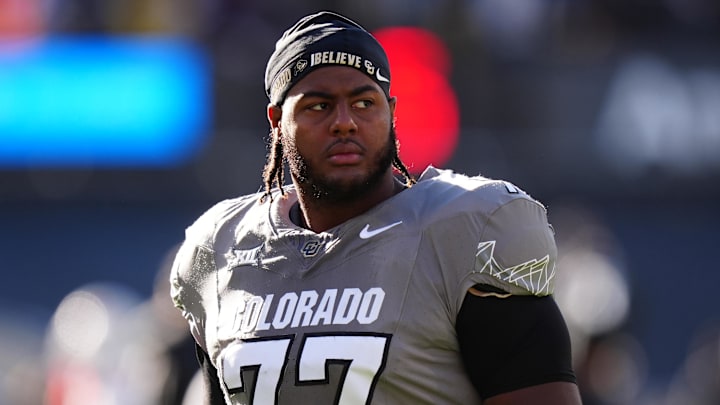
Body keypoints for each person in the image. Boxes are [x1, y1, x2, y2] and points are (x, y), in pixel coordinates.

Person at [170, 10, 582, 405]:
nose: (345, 122)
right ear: (277, 121)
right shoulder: (221, 250)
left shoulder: (467, 229)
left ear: (392, 113)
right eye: (319, 105)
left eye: (364, 102)